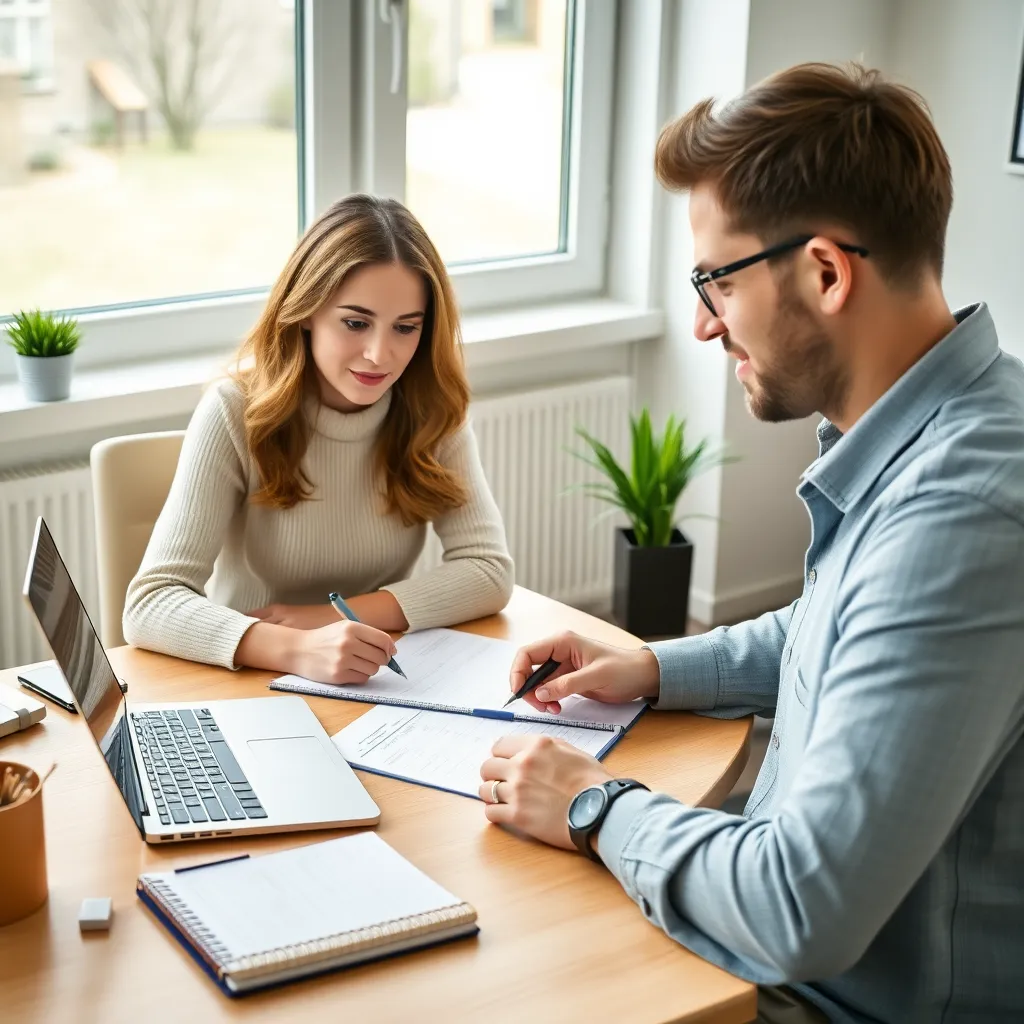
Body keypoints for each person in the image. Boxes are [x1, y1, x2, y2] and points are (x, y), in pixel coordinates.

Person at [478, 62, 1024, 1023]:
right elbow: (833, 631)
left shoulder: (963, 515)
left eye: (713, 281)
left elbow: (799, 907)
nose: (700, 323)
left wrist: (593, 804)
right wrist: (646, 665)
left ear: (824, 271)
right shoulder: (944, 427)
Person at [124, 194, 513, 683]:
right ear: (306, 310)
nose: (379, 354)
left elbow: (488, 571)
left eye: (405, 328)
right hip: (249, 675)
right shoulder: (234, 409)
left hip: (376, 675)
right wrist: (296, 647)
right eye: (355, 323)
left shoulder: (433, 411)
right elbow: (151, 602)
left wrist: (338, 616)